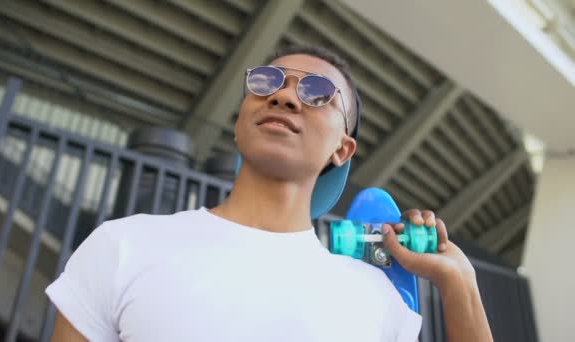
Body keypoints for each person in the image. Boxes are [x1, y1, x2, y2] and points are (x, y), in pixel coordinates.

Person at [46, 45, 493, 341]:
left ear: (343, 148)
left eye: (318, 93)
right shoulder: (123, 244)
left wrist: (460, 285)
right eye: (265, 82)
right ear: (240, 120)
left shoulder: (375, 298)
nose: (283, 97)